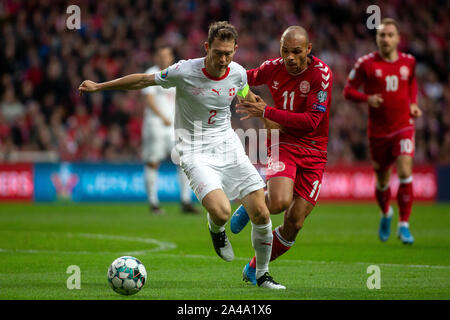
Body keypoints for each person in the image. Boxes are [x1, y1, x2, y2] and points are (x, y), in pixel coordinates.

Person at [79, 21, 285, 289]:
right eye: (218, 52)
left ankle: (262, 275)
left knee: (260, 211)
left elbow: (245, 95)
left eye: (228, 53)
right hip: (193, 148)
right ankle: (216, 230)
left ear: (235, 49)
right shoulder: (184, 70)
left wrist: (263, 111)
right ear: (207, 47)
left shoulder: (238, 74)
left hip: (227, 144)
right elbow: (143, 80)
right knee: (222, 212)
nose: (223, 59)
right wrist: (100, 86)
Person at [229, 26, 333, 285]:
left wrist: (266, 112)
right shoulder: (273, 67)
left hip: (314, 151)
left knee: (294, 223)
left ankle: (252, 268)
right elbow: (241, 79)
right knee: (277, 203)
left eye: (296, 52)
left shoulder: (321, 75)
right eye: (285, 51)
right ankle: (254, 203)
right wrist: (244, 93)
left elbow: (311, 121)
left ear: (308, 50)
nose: (290, 58)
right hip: (282, 142)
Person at [343, 18, 422, 244]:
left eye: (389, 35)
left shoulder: (409, 62)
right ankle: (386, 212)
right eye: (381, 35)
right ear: (377, 39)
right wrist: (367, 98)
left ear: (398, 38)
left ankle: (404, 224)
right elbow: (348, 91)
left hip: (404, 126)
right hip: (378, 132)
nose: (385, 39)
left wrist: (413, 104)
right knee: (382, 181)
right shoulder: (366, 64)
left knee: (406, 171)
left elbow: (412, 83)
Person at [141, 46, 199, 215]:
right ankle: (153, 203)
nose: (163, 58)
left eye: (166, 55)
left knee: (184, 162)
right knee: (153, 162)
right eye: (160, 55)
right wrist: (162, 117)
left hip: (175, 127)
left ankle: (186, 201)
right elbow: (149, 99)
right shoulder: (151, 73)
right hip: (155, 126)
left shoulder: (175, 74)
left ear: (171, 57)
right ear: (155, 57)